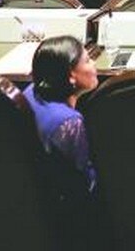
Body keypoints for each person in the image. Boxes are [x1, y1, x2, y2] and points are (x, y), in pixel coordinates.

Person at [23, 36, 98, 240]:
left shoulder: (30, 92)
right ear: (71, 75)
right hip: (65, 214)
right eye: (88, 60)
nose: (94, 65)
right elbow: (85, 180)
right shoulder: (68, 122)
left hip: (31, 197)